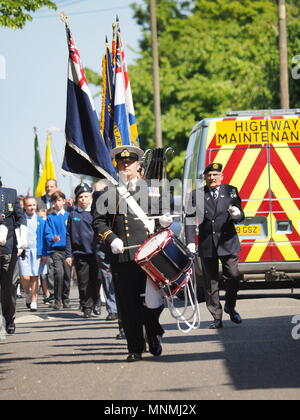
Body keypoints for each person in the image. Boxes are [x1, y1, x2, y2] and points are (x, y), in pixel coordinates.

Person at [92, 146, 171, 362]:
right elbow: (98, 222)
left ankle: (153, 332)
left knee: (153, 301)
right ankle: (135, 347)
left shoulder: (153, 189)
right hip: (123, 255)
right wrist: (111, 238)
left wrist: (165, 220)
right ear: (117, 165)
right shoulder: (108, 192)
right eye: (121, 163)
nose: (126, 166)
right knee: (128, 304)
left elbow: (164, 213)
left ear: (138, 165)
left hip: (149, 255)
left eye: (130, 163)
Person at [185, 163, 245, 329]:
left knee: (232, 275)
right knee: (211, 282)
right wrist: (190, 242)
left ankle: (230, 307)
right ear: (205, 177)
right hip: (207, 243)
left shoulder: (230, 191)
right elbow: (189, 219)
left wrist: (237, 215)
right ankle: (217, 317)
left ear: (221, 176)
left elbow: (240, 213)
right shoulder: (196, 194)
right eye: (209, 175)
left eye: (215, 175)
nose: (212, 178)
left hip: (227, 241)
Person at [65, 183, 99, 318]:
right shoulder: (73, 214)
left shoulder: (96, 213)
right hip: (80, 254)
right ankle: (86, 307)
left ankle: (96, 301)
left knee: (96, 280)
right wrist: (69, 254)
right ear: (77, 199)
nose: (83, 199)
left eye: (86, 196)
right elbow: (68, 235)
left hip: (95, 252)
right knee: (83, 282)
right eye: (80, 197)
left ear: (91, 197)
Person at [0, 178, 27, 334]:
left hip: (9, 249)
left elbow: (20, 217)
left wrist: (22, 239)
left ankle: (9, 319)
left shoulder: (10, 194)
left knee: (9, 288)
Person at [18, 197, 47, 312]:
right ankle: (28, 294)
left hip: (36, 252)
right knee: (25, 277)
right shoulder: (20, 220)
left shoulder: (40, 220)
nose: (31, 207)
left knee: (35, 276)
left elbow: (45, 238)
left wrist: (44, 253)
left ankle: (34, 300)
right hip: (23, 252)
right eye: (29, 205)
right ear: (24, 206)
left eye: (33, 205)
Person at [44, 191, 71, 310]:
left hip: (68, 250)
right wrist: (52, 238)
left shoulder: (68, 216)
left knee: (67, 275)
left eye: (59, 200)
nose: (57, 203)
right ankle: (57, 300)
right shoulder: (50, 218)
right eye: (55, 201)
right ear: (52, 203)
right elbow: (47, 233)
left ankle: (66, 299)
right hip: (56, 250)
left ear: (64, 201)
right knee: (58, 274)